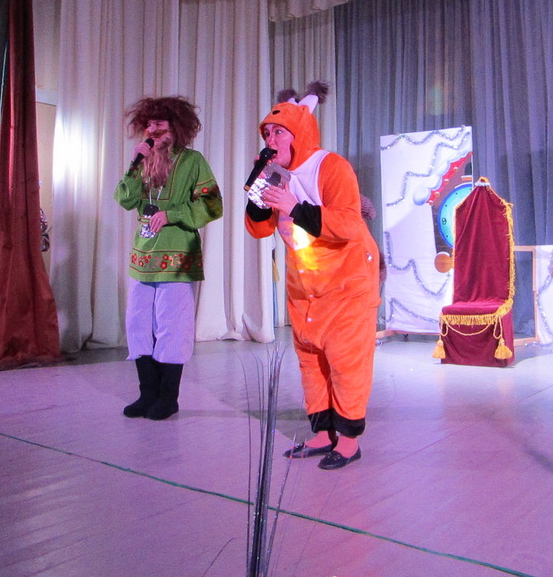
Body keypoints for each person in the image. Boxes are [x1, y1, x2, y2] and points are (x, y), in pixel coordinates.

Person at [245, 82, 380, 469]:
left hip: (347, 283)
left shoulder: (331, 166)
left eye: (279, 132)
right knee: (311, 363)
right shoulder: (274, 172)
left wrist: (295, 206)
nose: (271, 139)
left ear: (299, 133)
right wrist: (258, 191)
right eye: (267, 133)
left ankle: (349, 441)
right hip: (305, 287)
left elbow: (349, 224)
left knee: (346, 362)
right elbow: (259, 229)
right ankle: (322, 433)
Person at [114, 96, 222, 420]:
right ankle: (147, 394)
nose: (152, 129)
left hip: (177, 257)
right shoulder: (144, 161)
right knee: (137, 324)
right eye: (148, 124)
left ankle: (168, 398)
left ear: (175, 127)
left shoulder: (193, 161)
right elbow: (124, 199)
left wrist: (172, 214)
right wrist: (135, 164)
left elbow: (212, 205)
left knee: (172, 326)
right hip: (143, 257)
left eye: (159, 123)